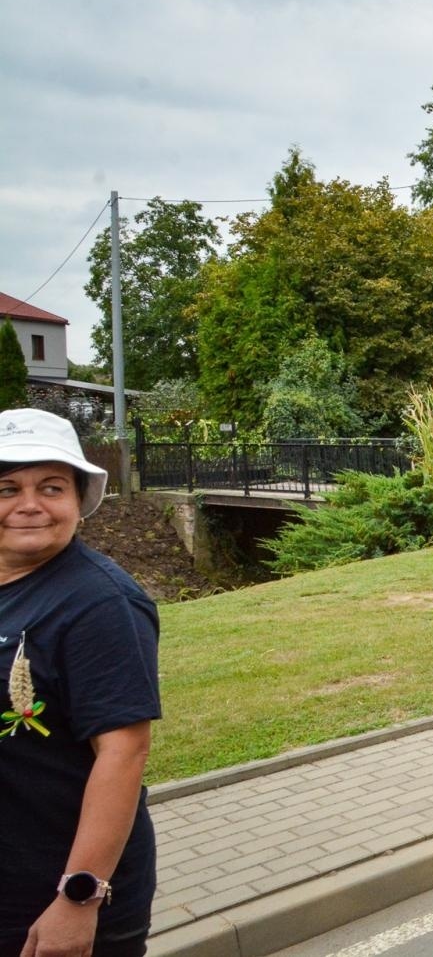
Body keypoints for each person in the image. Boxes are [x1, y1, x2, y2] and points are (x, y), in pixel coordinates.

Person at [0, 408, 161, 957]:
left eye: (51, 486)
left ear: (76, 500)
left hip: (49, 896)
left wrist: (78, 899)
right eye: (7, 488)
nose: (28, 505)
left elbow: (124, 752)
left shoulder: (99, 602)